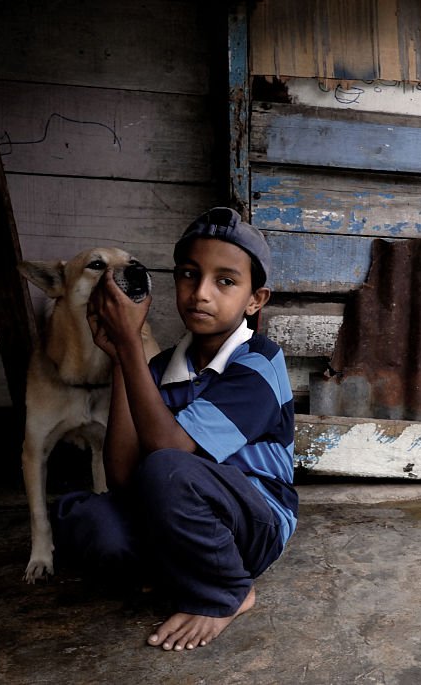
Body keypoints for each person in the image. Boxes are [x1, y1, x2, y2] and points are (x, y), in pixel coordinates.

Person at [52, 207, 297, 651]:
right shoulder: (162, 368)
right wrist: (122, 357)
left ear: (255, 300)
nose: (201, 293)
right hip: (179, 511)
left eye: (225, 281)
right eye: (188, 274)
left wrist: (130, 341)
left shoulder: (259, 364)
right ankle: (177, 568)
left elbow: (172, 453)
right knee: (87, 520)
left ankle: (229, 589)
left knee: (169, 467)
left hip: (255, 522)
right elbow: (124, 475)